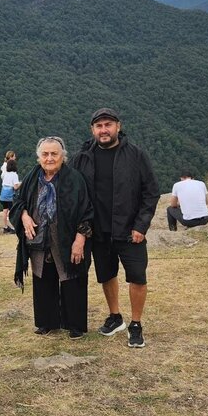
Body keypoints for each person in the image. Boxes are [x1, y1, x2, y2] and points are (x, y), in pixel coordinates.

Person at [70, 108, 159, 348]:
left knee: (137, 278)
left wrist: (141, 225)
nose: (104, 130)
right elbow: (69, 189)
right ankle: (115, 316)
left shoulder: (135, 155)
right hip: (99, 231)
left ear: (118, 126)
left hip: (130, 231)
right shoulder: (83, 157)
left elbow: (150, 192)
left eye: (108, 124)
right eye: (99, 126)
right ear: (93, 130)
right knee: (107, 275)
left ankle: (136, 324)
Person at [10, 136, 93, 339]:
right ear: (39, 158)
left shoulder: (74, 179)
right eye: (45, 154)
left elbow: (87, 211)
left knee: (72, 278)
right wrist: (24, 215)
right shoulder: (32, 177)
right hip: (39, 238)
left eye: (54, 154)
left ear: (62, 156)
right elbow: (18, 200)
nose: (49, 158)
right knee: (43, 279)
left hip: (67, 239)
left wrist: (79, 240)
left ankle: (74, 325)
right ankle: (47, 322)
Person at [0, 159, 20, 233]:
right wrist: (22, 183)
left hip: (3, 195)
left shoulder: (5, 174)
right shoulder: (14, 175)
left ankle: (5, 227)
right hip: (10, 196)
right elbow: (15, 187)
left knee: (5, 211)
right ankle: (14, 228)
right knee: (12, 212)